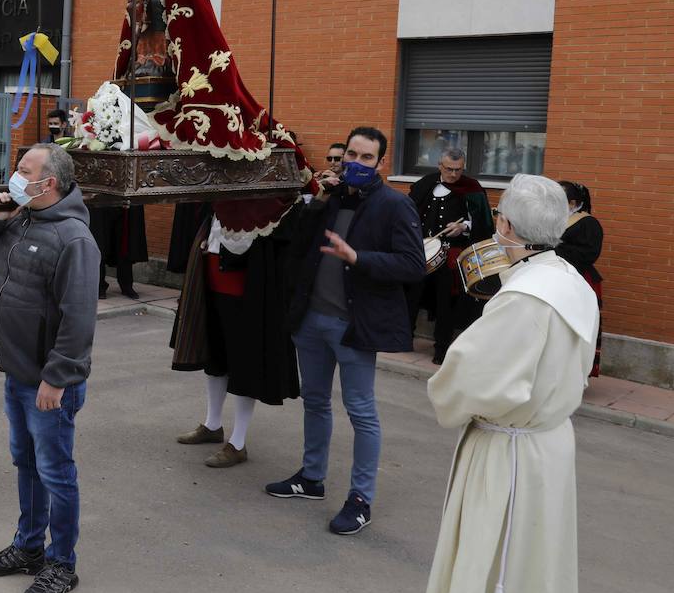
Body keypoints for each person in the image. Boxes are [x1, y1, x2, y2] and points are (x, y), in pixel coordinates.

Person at [419, 174, 598, 593]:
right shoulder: (570, 280)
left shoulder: (523, 299)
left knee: (494, 561)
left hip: (508, 454)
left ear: (509, 228)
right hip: (549, 446)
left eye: (499, 217)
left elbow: (466, 379)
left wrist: (446, 397)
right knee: (537, 565)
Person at [264, 126, 425, 536]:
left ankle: (360, 499)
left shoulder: (395, 206)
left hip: (354, 325)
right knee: (315, 401)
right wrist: (316, 201)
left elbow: (412, 265)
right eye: (349, 155)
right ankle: (312, 478)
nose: (354, 163)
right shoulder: (329, 199)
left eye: (365, 158)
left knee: (361, 412)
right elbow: (294, 245)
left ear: (380, 163)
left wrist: (358, 257)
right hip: (312, 320)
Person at [0, 144, 99, 593]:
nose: (14, 176)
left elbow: (79, 318)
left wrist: (57, 378)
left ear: (50, 183)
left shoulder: (74, 239)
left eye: (24, 171)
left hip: (49, 384)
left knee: (56, 472)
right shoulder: (22, 218)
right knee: (26, 464)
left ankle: (61, 562)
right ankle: (28, 545)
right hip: (17, 374)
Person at [171, 205, 304, 468]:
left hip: (246, 292)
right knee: (214, 358)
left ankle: (238, 442)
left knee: (244, 366)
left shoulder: (271, 201)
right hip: (211, 281)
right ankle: (212, 424)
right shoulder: (219, 197)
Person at [407, 149, 493, 363]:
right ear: (440, 166)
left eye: (458, 170)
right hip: (421, 250)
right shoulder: (426, 183)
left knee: (445, 301)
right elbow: (408, 210)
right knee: (410, 295)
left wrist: (463, 226)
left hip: (450, 255)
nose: (454, 174)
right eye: (449, 169)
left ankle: (442, 348)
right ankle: (403, 337)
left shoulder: (471, 188)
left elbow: (482, 222)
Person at [557, 180, 604, 377]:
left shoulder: (588, 223)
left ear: (572, 203)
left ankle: (574, 374)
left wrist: (556, 246)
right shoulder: (554, 220)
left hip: (579, 280)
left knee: (575, 328)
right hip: (556, 277)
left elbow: (589, 254)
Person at [89, 205, 145, 300]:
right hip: (101, 205)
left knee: (124, 246)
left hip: (123, 205)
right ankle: (99, 286)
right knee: (100, 244)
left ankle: (126, 285)